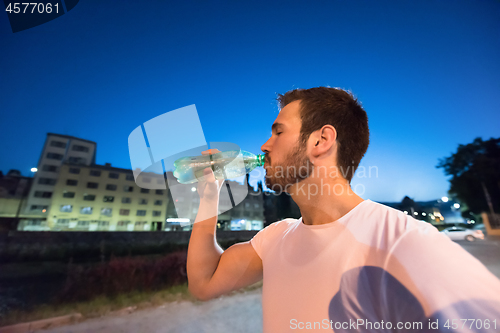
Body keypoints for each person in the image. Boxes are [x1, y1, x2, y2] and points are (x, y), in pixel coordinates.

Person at [186, 87, 500, 332]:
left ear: (321, 140)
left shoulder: (402, 241)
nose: (265, 145)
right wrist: (209, 196)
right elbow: (204, 282)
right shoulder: (275, 237)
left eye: (278, 131)